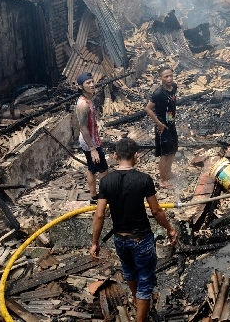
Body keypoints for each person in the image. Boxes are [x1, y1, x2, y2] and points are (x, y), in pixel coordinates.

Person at [90, 138, 178, 322]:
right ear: (136, 156)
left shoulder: (106, 181)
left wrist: (95, 242)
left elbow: (99, 215)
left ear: (115, 156)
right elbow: (156, 211)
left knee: (129, 272)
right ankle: (141, 313)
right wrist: (169, 229)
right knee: (145, 282)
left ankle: (139, 303)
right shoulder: (144, 179)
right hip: (141, 239)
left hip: (120, 239)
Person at [144, 66, 179, 189]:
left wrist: (172, 118)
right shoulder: (158, 93)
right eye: (166, 77)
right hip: (162, 126)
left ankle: (168, 172)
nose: (169, 79)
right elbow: (148, 109)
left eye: (171, 75)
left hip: (171, 123)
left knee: (172, 150)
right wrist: (158, 123)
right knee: (165, 154)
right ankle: (163, 180)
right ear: (161, 78)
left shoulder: (174, 87)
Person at [76, 72, 108, 204]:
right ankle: (104, 197)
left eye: (92, 81)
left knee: (91, 168)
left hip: (92, 139)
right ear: (80, 87)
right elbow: (83, 128)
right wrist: (92, 148)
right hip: (90, 142)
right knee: (103, 169)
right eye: (87, 83)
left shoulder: (89, 99)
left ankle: (94, 197)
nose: (92, 85)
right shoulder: (83, 104)